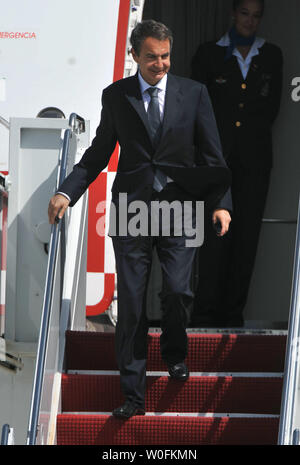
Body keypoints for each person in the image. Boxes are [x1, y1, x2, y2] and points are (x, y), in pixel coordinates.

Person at [48, 20, 231, 418]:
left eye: (165, 57)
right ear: (135, 55)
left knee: (179, 291)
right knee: (131, 302)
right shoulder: (116, 96)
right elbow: (99, 153)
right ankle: (133, 396)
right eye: (152, 57)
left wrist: (221, 203)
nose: (160, 64)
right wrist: (67, 191)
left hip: (181, 208)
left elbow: (212, 156)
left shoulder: (194, 94)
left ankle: (174, 352)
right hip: (132, 210)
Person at [190, 0, 283, 328]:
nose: (250, 21)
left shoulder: (271, 55)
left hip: (255, 162)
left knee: (246, 240)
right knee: (214, 239)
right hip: (217, 163)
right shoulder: (209, 53)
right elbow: (197, 110)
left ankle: (232, 316)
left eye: (256, 16)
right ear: (233, 14)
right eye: (245, 13)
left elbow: (271, 108)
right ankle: (203, 316)